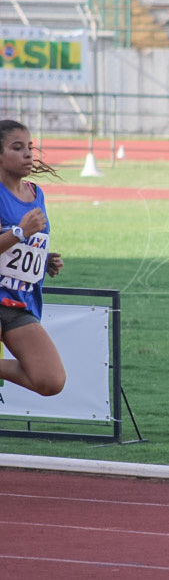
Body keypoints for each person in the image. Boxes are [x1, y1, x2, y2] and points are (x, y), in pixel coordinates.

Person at [0, 119, 65, 397]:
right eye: (17, 148)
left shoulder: (36, 194)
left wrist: (43, 258)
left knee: (50, 381)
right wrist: (19, 232)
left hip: (20, 303)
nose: (28, 154)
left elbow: (23, 246)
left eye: (30, 147)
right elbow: (19, 234)